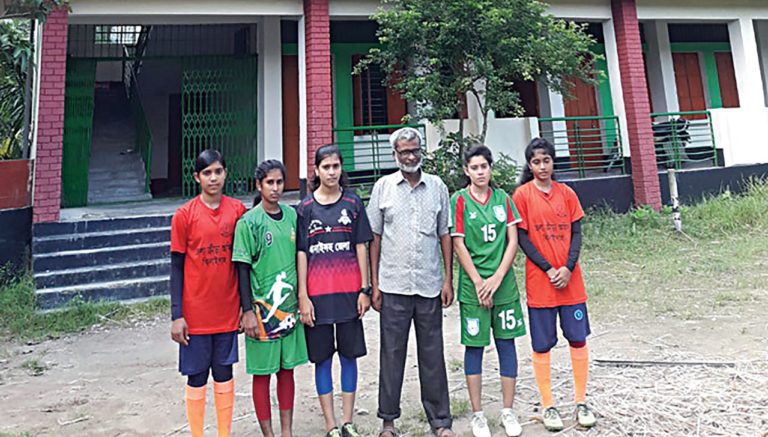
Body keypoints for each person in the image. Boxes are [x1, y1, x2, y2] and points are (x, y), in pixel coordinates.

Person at [367, 127, 456, 437]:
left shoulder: (437, 187)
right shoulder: (383, 187)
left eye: (415, 150)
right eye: (404, 151)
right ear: (395, 154)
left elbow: (446, 234)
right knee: (391, 354)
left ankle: (441, 422)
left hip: (430, 283)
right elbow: (374, 238)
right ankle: (388, 422)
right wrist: (374, 284)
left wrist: (448, 278)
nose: (410, 156)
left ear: (421, 151)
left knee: (432, 354)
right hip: (392, 286)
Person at [512, 138, 597, 432]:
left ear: (553, 162)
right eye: (536, 162)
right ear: (530, 165)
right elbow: (522, 238)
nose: (542, 166)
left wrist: (567, 267)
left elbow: (577, 233)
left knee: (577, 338)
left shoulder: (567, 193)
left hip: (571, 283)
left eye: (546, 160)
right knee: (542, 344)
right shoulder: (521, 196)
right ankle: (548, 406)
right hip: (541, 284)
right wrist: (549, 269)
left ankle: (581, 401)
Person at [296, 145, 374, 437]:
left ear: (342, 169)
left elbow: (361, 246)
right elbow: (302, 253)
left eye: (335, 166)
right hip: (317, 298)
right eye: (325, 167)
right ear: (316, 171)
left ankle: (347, 421)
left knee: (349, 357)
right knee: (323, 359)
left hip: (349, 295)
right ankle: (330, 424)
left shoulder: (353, 204)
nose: (331, 172)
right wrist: (303, 296)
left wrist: (364, 289)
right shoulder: (304, 209)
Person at [170, 149, 246, 437]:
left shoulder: (238, 211)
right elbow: (176, 267)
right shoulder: (184, 216)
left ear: (226, 173)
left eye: (218, 171)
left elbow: (243, 263)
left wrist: (245, 306)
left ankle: (224, 433)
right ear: (197, 177)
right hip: (195, 315)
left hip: (227, 311)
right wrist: (177, 315)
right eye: (207, 173)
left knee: (225, 374)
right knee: (197, 376)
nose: (213, 178)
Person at [450, 145, 525, 437]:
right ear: (466, 171)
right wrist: (480, 282)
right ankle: (478, 414)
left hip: (503, 286)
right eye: (475, 167)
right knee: (475, 347)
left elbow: (513, 241)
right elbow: (458, 244)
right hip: (473, 289)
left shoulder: (503, 199)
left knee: (507, 345)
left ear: (490, 168)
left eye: (484, 166)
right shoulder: (459, 201)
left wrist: (497, 278)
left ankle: (507, 411)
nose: (480, 172)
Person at [231, 160, 308, 437]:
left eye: (279, 182)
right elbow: (241, 268)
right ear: (259, 185)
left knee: (287, 372)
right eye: (269, 183)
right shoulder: (249, 222)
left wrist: (302, 298)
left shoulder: (292, 216)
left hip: (288, 310)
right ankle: (269, 433)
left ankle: (286, 431)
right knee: (262, 374)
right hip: (262, 312)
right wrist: (247, 311)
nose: (275, 188)